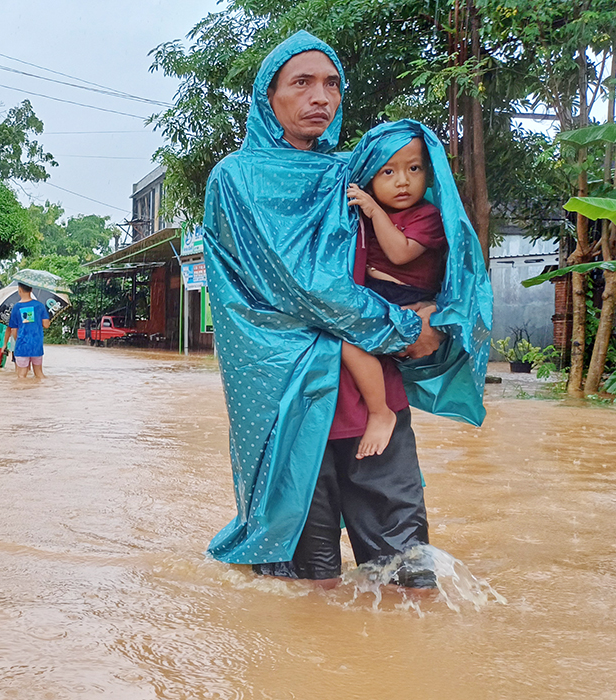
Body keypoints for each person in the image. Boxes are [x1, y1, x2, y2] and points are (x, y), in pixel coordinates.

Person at [202, 31, 490, 589]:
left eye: (331, 84)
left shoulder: (350, 176)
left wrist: (439, 314)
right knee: (303, 584)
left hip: (371, 390)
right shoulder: (236, 179)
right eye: (301, 83)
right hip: (287, 398)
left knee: (407, 574)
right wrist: (408, 327)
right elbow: (302, 284)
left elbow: (424, 240)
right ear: (268, 96)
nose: (320, 97)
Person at [341, 136, 448, 458]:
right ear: (371, 178)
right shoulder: (361, 212)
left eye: (413, 168)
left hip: (404, 295)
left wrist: (374, 211)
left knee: (349, 340)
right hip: (379, 292)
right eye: (388, 172)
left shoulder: (426, 215)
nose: (402, 181)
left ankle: (380, 411)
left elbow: (400, 253)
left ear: (428, 174)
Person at [3, 282, 50, 379]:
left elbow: (14, 330)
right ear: (31, 290)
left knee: (21, 375)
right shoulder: (39, 305)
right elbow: (46, 325)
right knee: (39, 374)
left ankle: (23, 394)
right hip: (36, 345)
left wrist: (19, 341)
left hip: (22, 345)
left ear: (19, 290)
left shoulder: (16, 307)